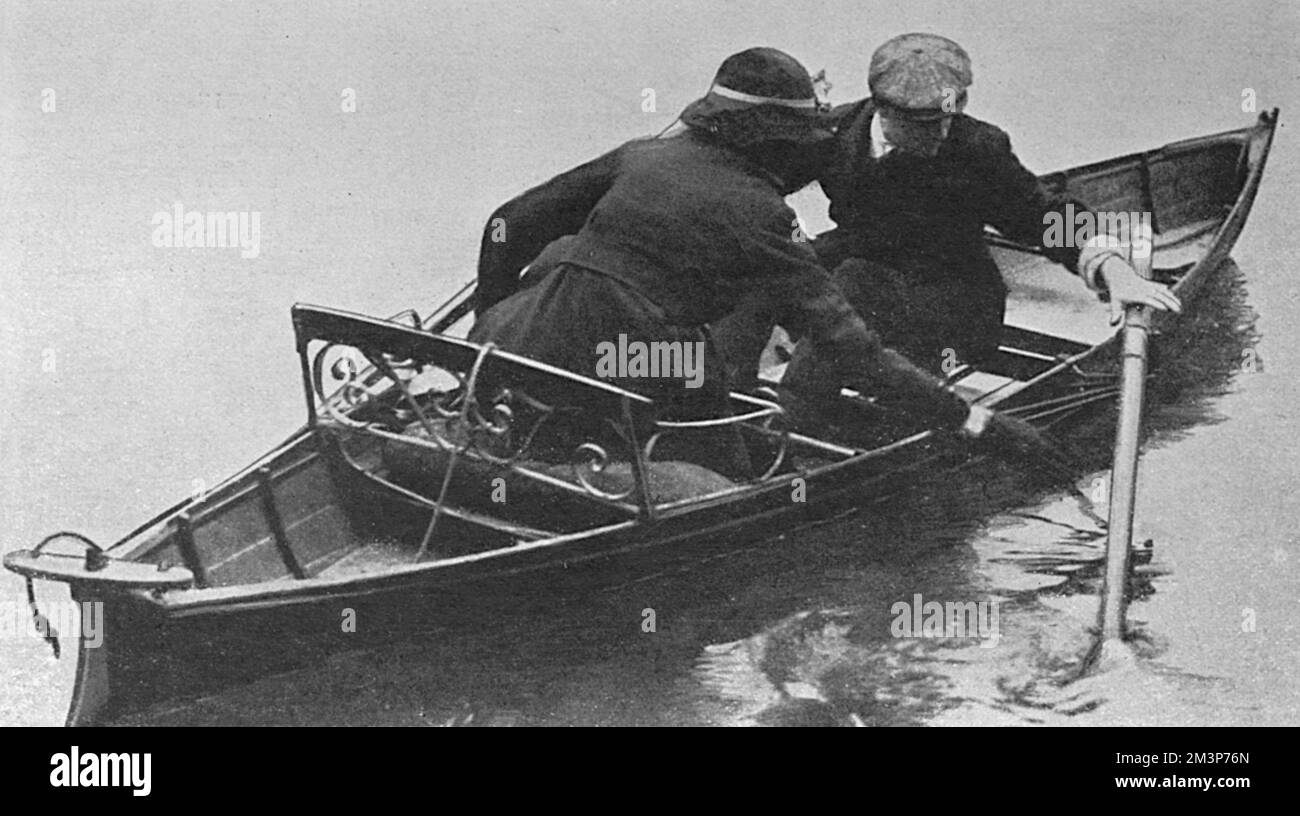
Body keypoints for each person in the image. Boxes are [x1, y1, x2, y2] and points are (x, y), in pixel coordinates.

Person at [468, 47, 997, 478]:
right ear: (777, 142)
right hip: (632, 367)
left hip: (511, 345)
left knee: (573, 263)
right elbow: (853, 349)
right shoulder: (760, 215)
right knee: (740, 461)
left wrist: (487, 321)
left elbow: (505, 225)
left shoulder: (640, 155)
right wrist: (967, 417)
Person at [719, 33, 1182, 387]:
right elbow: (753, 182)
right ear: (882, 110)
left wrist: (1111, 267)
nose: (942, 133)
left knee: (854, 284)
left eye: (949, 116)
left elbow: (1040, 213)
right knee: (759, 272)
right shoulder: (836, 130)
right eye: (925, 125)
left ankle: (798, 419)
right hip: (860, 266)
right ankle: (719, 395)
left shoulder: (978, 148)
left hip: (952, 296)